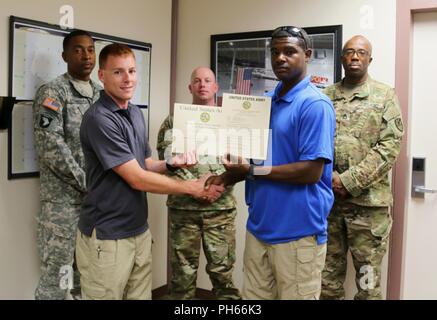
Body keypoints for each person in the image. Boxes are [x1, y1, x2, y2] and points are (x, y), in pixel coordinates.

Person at [75, 44, 224, 300]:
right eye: (118, 72)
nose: (128, 78)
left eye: (132, 71)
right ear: (102, 76)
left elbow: (145, 164)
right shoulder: (100, 119)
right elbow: (136, 178)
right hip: (109, 236)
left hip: (138, 231)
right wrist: (192, 187)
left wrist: (172, 164)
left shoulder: (133, 112)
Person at [206, 26, 336, 300]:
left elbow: (311, 171)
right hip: (259, 228)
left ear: (307, 54)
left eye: (289, 51)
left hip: (298, 234)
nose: (280, 58)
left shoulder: (314, 105)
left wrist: (251, 170)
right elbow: (257, 158)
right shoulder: (265, 103)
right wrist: (229, 177)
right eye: (275, 52)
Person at [320, 35, 404, 300]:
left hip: (368, 209)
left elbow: (389, 147)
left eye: (361, 53)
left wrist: (348, 181)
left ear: (370, 59)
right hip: (328, 204)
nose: (355, 57)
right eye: (349, 52)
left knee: (367, 283)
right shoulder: (324, 97)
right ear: (342, 58)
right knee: (326, 279)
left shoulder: (384, 96)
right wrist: (327, 180)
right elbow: (313, 143)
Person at [156, 67, 241, 300]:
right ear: (190, 87)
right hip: (183, 209)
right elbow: (167, 161)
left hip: (220, 209)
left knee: (223, 274)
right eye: (197, 81)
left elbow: (238, 162)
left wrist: (217, 186)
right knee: (182, 276)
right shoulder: (173, 121)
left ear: (215, 87)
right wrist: (194, 189)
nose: (202, 85)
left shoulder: (230, 122)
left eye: (208, 81)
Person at [33, 30, 101, 300]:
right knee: (58, 280)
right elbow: (51, 146)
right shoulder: (53, 92)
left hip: (96, 203)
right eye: (78, 49)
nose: (86, 55)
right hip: (63, 204)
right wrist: (89, 183)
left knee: (89, 275)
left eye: (91, 50)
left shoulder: (100, 94)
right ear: (64, 55)